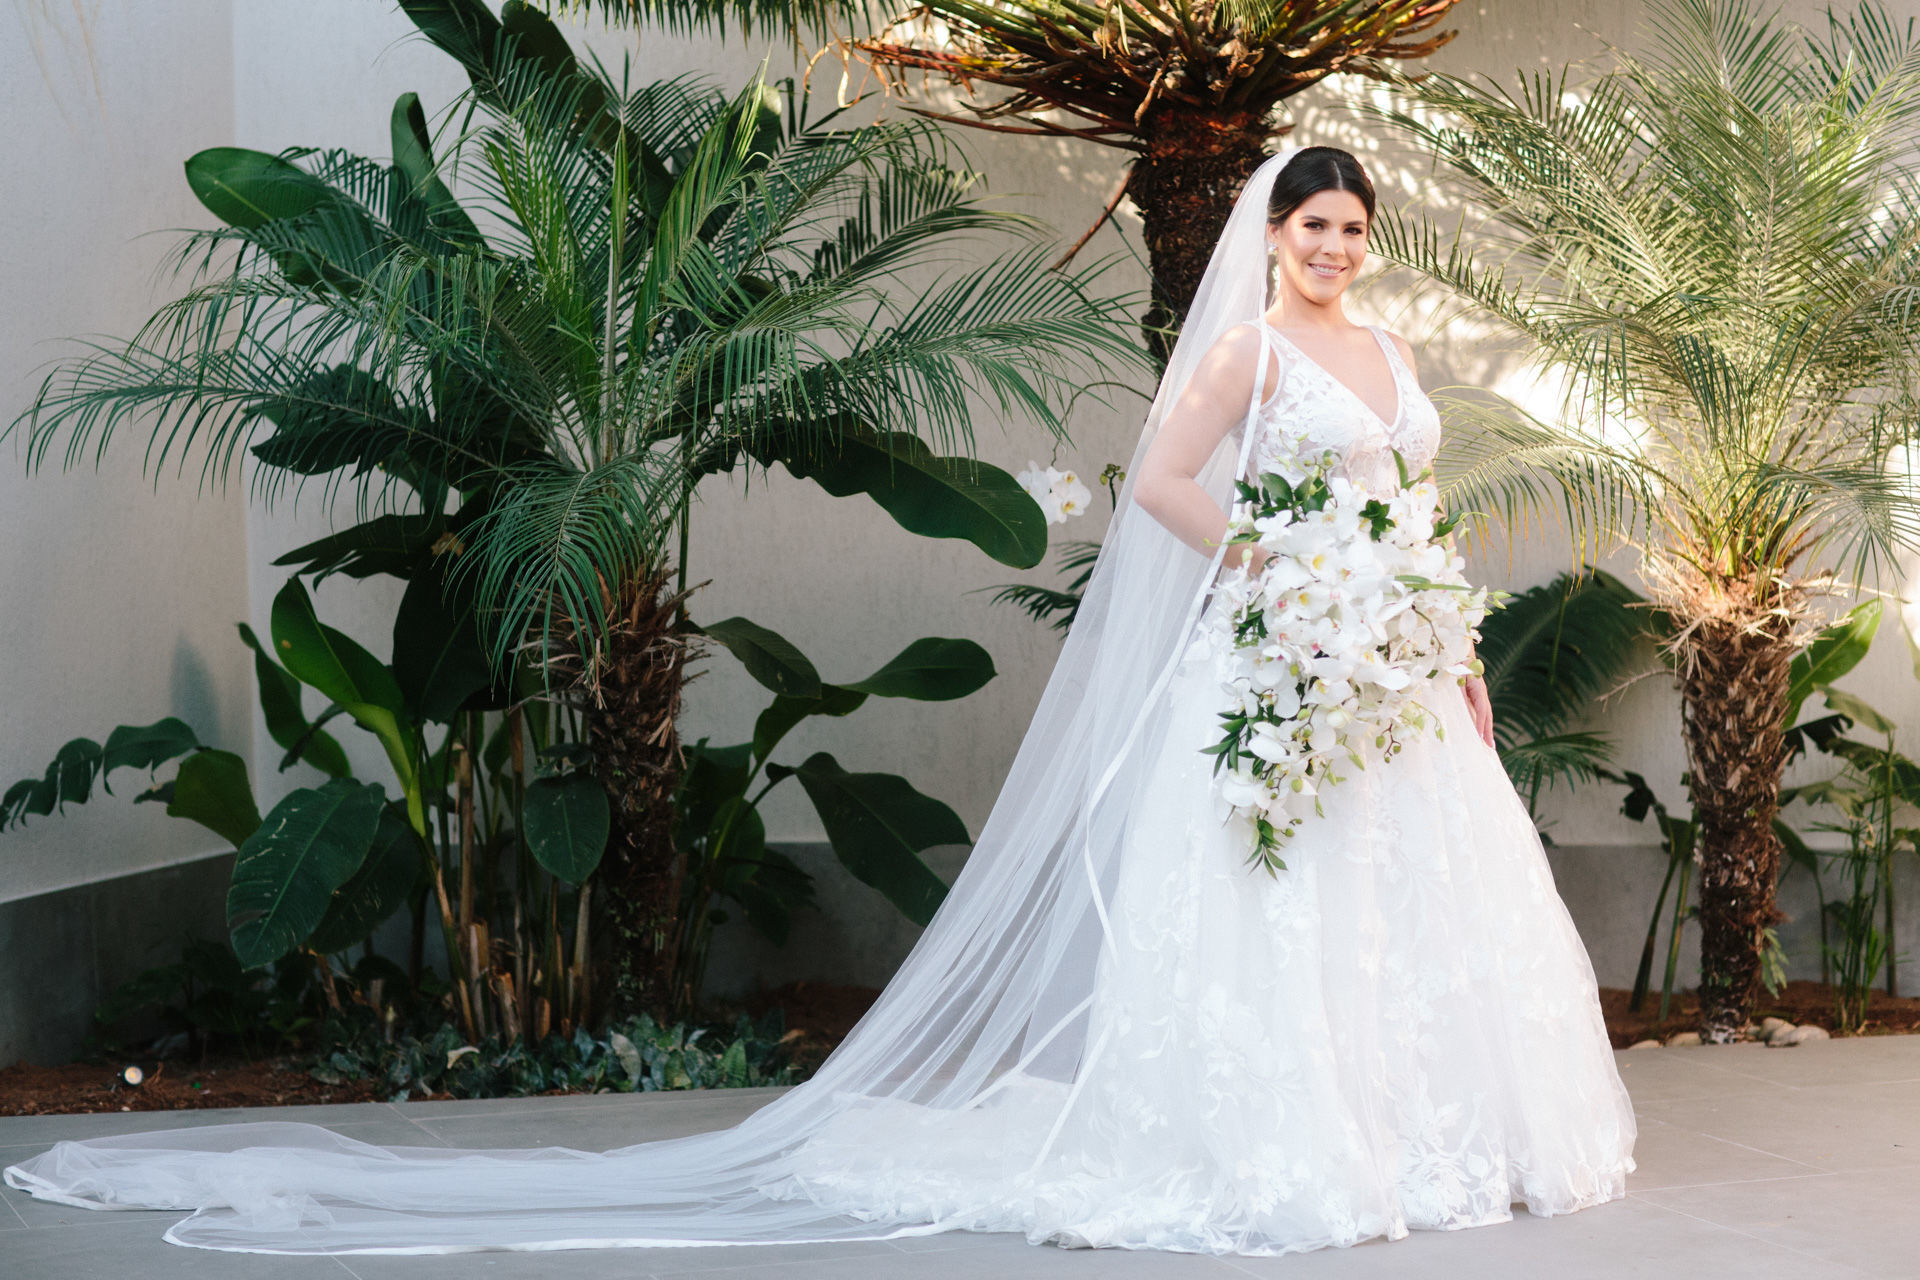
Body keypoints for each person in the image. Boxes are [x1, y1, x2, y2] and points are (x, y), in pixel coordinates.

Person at [3, 146, 1635, 1258]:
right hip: (1281, 646)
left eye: (1351, 230)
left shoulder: (1390, 357)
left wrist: (1443, 644)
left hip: (1394, 661)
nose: (1333, 248)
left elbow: (1413, 512)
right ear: (1273, 238)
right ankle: (1299, 1140)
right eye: (1312, 227)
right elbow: (1160, 484)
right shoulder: (1250, 357)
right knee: (1284, 891)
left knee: (1410, 891)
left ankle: (1436, 1132)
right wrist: (1277, 560)